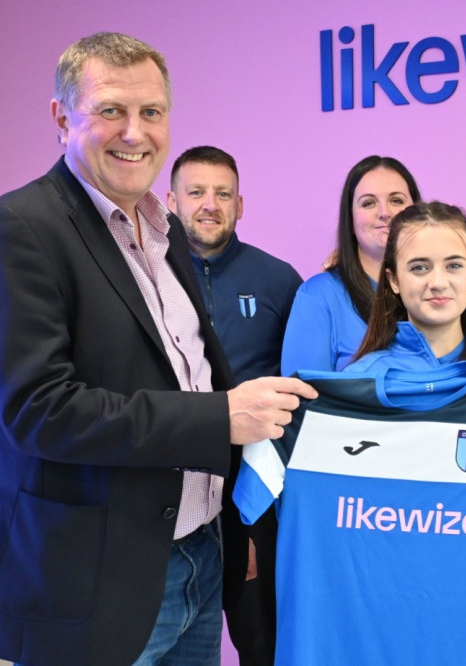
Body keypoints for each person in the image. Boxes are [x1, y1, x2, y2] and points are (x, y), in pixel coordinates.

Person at [0, 32, 316, 666]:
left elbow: (187, 368)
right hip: (94, 578)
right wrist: (221, 418)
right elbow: (40, 411)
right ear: (62, 117)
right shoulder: (15, 229)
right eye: (111, 110)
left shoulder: (164, 231)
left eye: (151, 113)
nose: (135, 131)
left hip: (199, 555)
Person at [236, 200, 466, 664]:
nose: (437, 281)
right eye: (419, 267)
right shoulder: (335, 404)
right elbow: (262, 513)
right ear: (393, 280)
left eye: (452, 265)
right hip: (367, 645)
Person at [167, 145, 301, 665]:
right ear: (171, 201)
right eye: (196, 192)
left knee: (260, 636)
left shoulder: (278, 279)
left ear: (240, 205)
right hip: (172, 483)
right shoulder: (149, 279)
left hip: (256, 489)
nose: (209, 204)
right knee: (171, 631)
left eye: (223, 194)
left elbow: (302, 376)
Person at [280, 155, 420, 374]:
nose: (384, 212)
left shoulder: (443, 286)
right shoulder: (318, 296)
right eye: (368, 203)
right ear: (351, 221)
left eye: (396, 200)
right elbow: (303, 397)